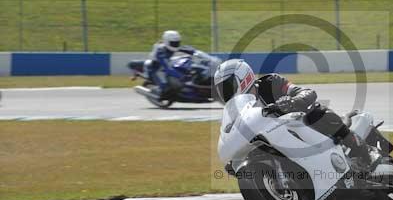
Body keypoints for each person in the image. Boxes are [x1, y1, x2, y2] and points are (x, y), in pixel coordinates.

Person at [213, 59, 373, 171]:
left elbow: (305, 92)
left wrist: (293, 100)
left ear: (244, 77)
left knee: (318, 112)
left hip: (300, 126)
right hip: (276, 141)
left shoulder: (270, 83)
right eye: (222, 89)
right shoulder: (237, 110)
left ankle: (358, 147)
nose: (226, 93)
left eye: (228, 86)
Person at [145, 30, 203, 99]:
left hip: (166, 64)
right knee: (166, 88)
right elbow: (168, 68)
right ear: (166, 42)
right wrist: (181, 76)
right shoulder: (161, 52)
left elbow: (187, 49)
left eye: (177, 43)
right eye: (173, 43)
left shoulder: (172, 47)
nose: (175, 45)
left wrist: (195, 52)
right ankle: (159, 94)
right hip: (155, 68)